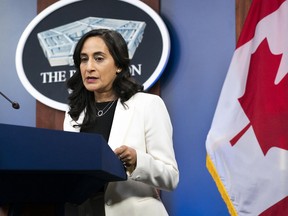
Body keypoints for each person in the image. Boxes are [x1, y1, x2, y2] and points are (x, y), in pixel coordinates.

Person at [63, 29, 179, 216]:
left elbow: (170, 177)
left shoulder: (147, 105)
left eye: (99, 58)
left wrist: (137, 161)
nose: (89, 67)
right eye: (84, 59)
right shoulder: (74, 113)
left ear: (118, 65)